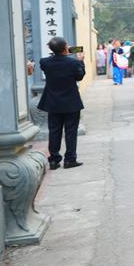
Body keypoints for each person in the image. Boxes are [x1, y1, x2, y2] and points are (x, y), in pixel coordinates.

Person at [37, 36, 86, 170]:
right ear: (65, 47)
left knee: (54, 131)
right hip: (71, 102)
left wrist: (60, 54)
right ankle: (70, 159)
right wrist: (81, 61)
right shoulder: (74, 63)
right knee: (71, 131)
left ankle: (54, 160)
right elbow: (80, 76)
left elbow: (51, 63)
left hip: (53, 102)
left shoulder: (45, 62)